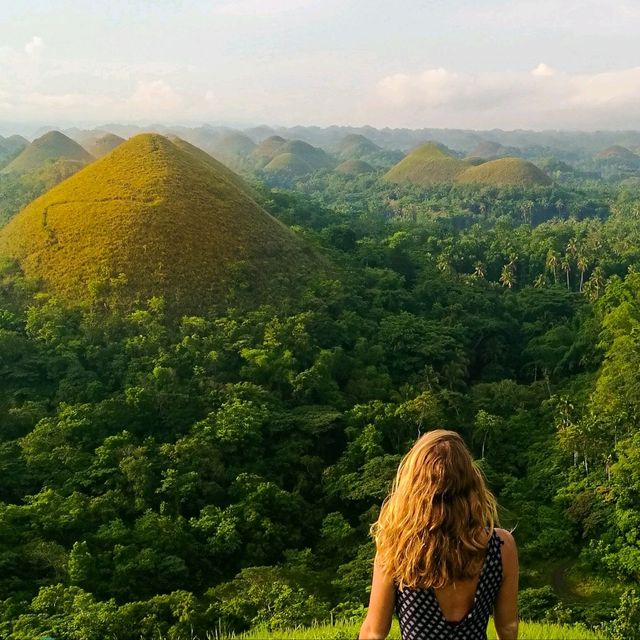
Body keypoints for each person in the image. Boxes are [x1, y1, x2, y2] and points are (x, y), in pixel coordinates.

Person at [358, 429, 518, 640]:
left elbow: (374, 632)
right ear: (471, 482)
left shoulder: (398, 546)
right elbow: (507, 627)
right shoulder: (501, 546)